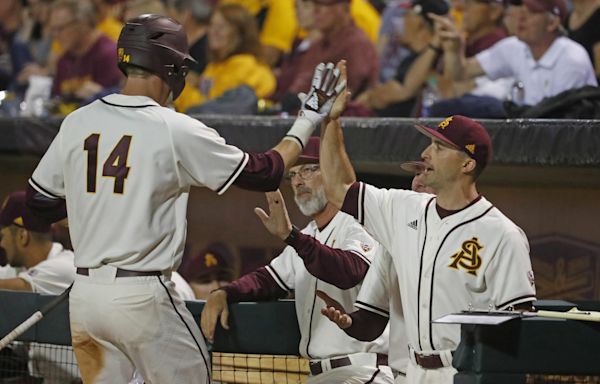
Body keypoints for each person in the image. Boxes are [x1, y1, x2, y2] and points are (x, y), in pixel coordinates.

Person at [25, 12, 345, 384]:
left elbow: (39, 204)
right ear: (171, 67)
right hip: (141, 297)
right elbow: (265, 172)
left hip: (85, 297)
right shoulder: (173, 127)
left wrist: (93, 204)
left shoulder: (77, 121)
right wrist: (307, 118)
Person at [318, 61, 536, 384]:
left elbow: (520, 330)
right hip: (412, 373)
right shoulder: (403, 209)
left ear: (467, 164)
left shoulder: (502, 235)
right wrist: (332, 120)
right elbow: (337, 188)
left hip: (463, 373)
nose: (426, 153)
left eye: (439, 147)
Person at [201, 137, 395, 383]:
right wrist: (225, 293)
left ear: (332, 173)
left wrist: (291, 236)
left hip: (363, 369)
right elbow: (268, 280)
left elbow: (350, 271)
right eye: (291, 175)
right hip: (325, 373)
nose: (298, 181)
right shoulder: (309, 234)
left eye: (308, 170)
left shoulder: (360, 221)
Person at [434, 0, 597, 109]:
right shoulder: (515, 47)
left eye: (532, 13)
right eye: (522, 10)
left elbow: (558, 121)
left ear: (553, 23)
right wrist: (453, 50)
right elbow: (461, 73)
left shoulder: (571, 58)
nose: (521, 18)